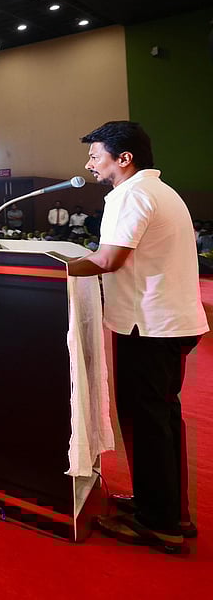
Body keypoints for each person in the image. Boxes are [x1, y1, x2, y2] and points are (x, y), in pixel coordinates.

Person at [64, 121, 208, 552]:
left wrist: (54, 269)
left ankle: (158, 523)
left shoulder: (131, 194)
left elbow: (108, 259)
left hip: (151, 328)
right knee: (159, 422)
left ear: (123, 158)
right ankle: (164, 509)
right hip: (164, 324)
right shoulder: (157, 190)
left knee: (149, 426)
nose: (89, 163)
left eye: (95, 155)